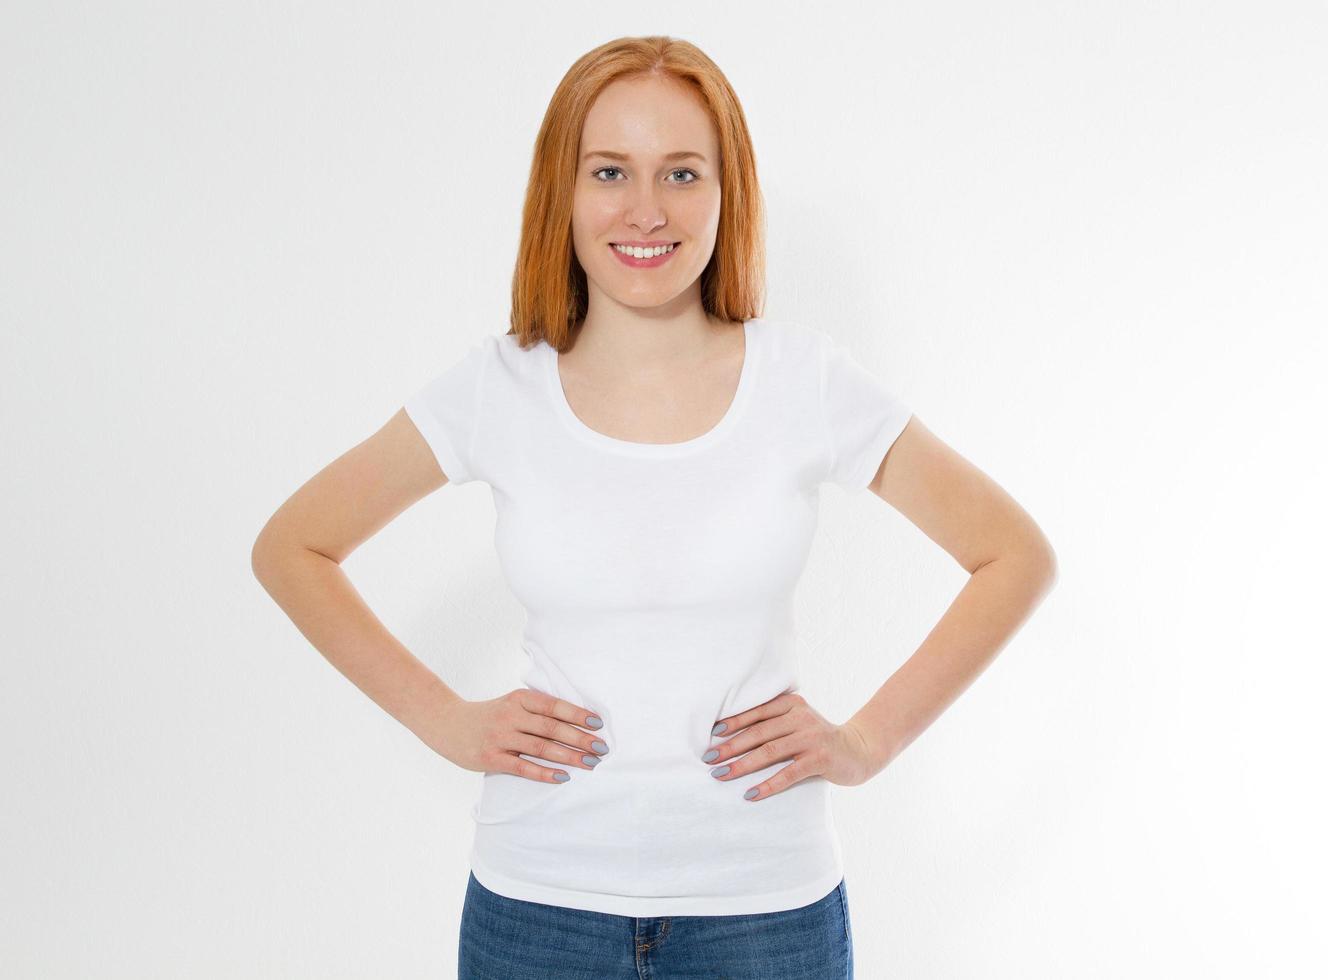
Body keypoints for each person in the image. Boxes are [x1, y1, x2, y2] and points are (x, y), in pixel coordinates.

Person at [251, 35, 1058, 980]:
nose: (646, 209)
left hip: (765, 915)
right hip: (537, 912)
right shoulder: (498, 388)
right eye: (610, 171)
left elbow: (1013, 555)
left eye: (682, 172)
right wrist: (445, 720)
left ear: (727, 192)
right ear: (564, 189)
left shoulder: (805, 382)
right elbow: (293, 546)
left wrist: (867, 741)